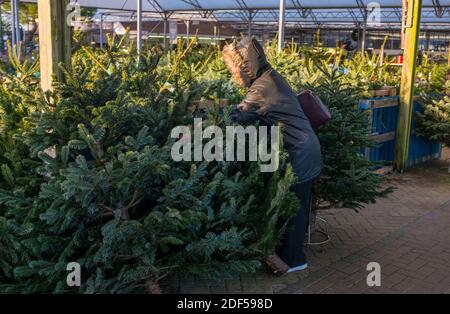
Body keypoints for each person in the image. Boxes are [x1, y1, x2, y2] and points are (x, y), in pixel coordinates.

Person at [222, 37, 322, 275]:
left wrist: (212, 115)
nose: (233, 75)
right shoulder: (271, 77)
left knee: (293, 208)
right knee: (296, 206)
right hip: (306, 149)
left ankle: (295, 261)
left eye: (233, 69)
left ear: (245, 66)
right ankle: (292, 254)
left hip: (300, 154)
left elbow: (238, 117)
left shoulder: (261, 88)